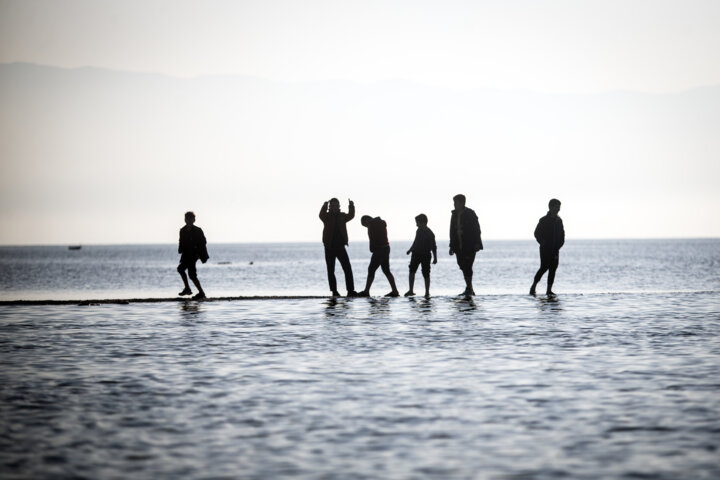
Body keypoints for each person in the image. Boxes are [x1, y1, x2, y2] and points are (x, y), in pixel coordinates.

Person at [319, 198, 357, 297]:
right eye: (333, 205)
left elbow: (351, 215)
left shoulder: (342, 216)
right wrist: (324, 205)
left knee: (347, 268)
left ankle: (350, 290)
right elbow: (320, 215)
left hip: (340, 246)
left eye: (336, 205)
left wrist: (351, 206)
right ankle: (334, 291)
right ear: (330, 207)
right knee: (331, 270)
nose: (335, 207)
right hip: (329, 247)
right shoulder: (326, 216)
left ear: (339, 206)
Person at [449, 194, 483, 296]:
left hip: (470, 245)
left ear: (462, 203)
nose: (454, 205)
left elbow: (477, 229)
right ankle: (469, 288)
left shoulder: (470, 213)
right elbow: (451, 231)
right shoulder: (454, 214)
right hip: (458, 246)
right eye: (454, 203)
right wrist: (451, 246)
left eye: (456, 203)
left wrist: (477, 243)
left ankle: (469, 288)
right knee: (462, 265)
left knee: (468, 266)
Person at [358, 215, 400, 297]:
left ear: (366, 221)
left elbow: (372, 239)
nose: (366, 227)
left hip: (379, 250)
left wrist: (372, 249)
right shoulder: (381, 222)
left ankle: (366, 291)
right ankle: (395, 291)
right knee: (386, 270)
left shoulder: (371, 225)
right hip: (386, 248)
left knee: (371, 269)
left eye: (365, 225)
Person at [530, 198, 565, 296]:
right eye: (556, 207)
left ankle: (549, 290)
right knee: (544, 268)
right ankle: (533, 286)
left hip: (555, 249)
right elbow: (536, 233)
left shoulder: (559, 221)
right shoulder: (543, 220)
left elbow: (562, 234)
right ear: (550, 207)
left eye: (559, 207)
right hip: (545, 249)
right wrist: (542, 242)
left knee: (553, 269)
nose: (558, 209)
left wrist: (559, 245)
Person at [177, 211, 209, 300]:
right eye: (187, 219)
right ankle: (191, 290)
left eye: (190, 219)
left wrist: (199, 254)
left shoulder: (198, 230)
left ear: (194, 220)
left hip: (194, 255)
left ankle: (198, 292)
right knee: (183, 270)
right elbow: (181, 241)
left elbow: (203, 242)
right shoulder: (182, 230)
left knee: (189, 273)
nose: (188, 221)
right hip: (186, 254)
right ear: (185, 220)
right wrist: (180, 249)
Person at [405, 214, 437, 298]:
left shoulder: (430, 233)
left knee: (426, 273)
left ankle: (427, 292)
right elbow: (415, 242)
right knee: (412, 271)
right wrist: (410, 250)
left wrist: (435, 258)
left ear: (423, 222)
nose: (416, 225)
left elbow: (434, 246)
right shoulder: (418, 230)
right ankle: (411, 290)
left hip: (426, 255)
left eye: (417, 223)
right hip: (416, 254)